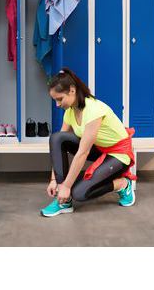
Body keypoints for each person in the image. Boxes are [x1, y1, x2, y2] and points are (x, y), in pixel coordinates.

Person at [40, 67, 136, 217]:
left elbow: (83, 152)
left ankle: (122, 184)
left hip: (119, 154)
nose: (57, 105)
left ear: (72, 90)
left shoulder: (93, 110)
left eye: (60, 99)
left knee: (78, 193)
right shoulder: (70, 112)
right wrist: (54, 180)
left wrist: (67, 186)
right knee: (57, 137)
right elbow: (57, 147)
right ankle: (63, 202)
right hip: (99, 148)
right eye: (55, 100)